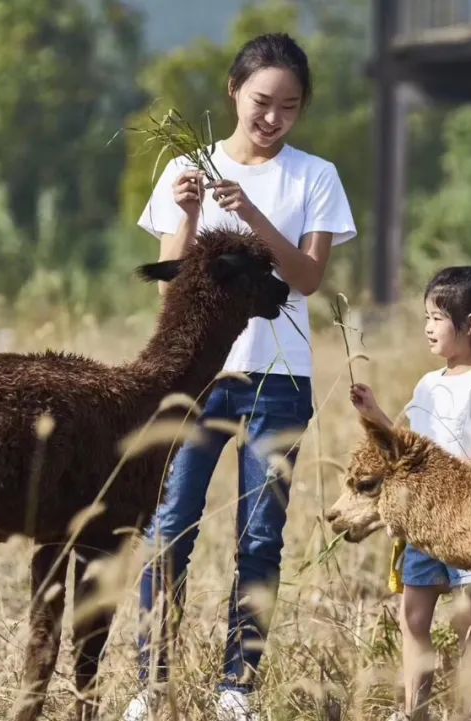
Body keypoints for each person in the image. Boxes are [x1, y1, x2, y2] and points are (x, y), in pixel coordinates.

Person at [124, 32, 356, 721]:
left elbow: (309, 279)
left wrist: (252, 215)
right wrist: (193, 213)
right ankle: (150, 683)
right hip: (200, 378)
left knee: (259, 535)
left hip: (280, 378)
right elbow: (172, 290)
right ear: (234, 91)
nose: (272, 117)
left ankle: (238, 687)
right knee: (171, 527)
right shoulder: (184, 166)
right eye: (261, 101)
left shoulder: (316, 177)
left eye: (288, 106)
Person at [350, 266, 471, 721]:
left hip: (468, 524)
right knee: (413, 620)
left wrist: (447, 474)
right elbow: (410, 448)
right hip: (422, 526)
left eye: (437, 317)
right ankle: (414, 710)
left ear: (470, 326)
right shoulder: (428, 384)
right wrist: (377, 416)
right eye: (425, 316)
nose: (427, 326)